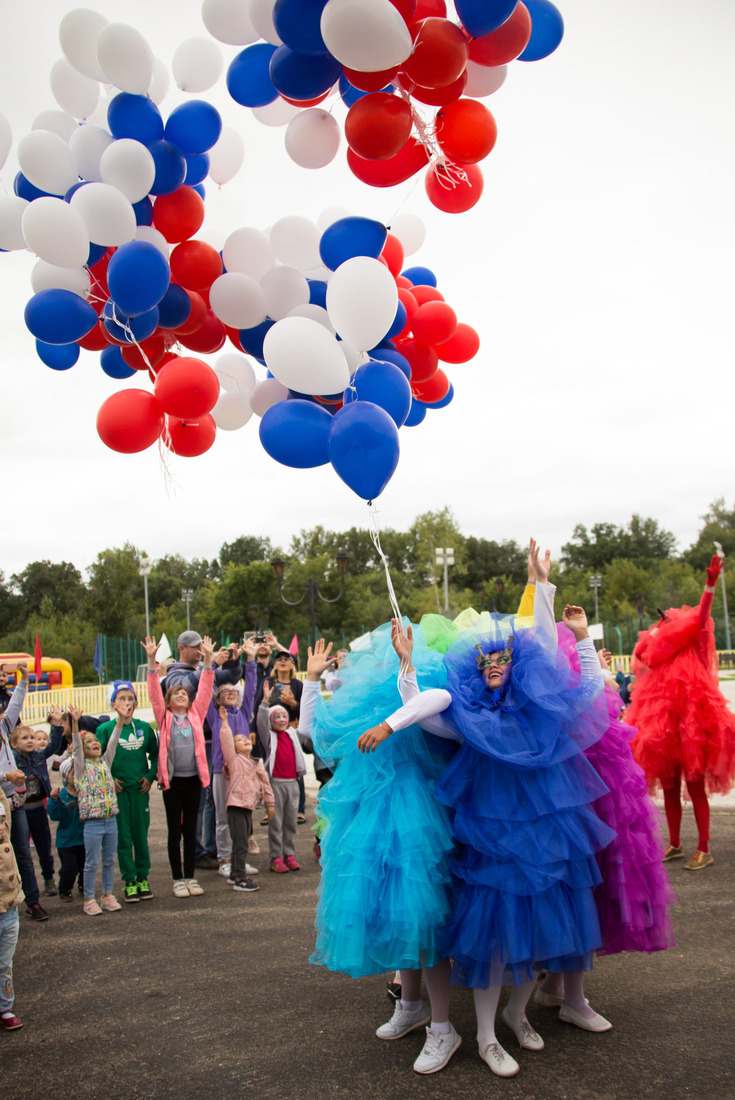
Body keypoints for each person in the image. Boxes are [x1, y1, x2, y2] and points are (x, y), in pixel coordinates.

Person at [358, 548, 613, 1078]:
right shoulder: (468, 716)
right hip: (489, 849)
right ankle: (486, 1038)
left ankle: (518, 1017)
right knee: (494, 939)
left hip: (540, 845)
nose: (494, 665)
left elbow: (581, 682)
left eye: (503, 659)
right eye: (485, 661)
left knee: (537, 937)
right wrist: (395, 707)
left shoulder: (540, 714)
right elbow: (428, 703)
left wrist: (548, 597)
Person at [301, 636, 456, 1075]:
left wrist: (406, 666)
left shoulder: (419, 693)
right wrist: (311, 679)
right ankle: (411, 1006)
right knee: (396, 913)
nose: (363, 664)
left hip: (413, 816)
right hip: (369, 812)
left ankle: (443, 1027)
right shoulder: (357, 701)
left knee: (423, 916)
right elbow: (314, 733)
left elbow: (424, 703)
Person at [624, 553, 735, 870]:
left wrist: (710, 585)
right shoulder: (658, 652)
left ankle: (704, 848)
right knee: (670, 786)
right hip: (664, 731)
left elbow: (702, 617)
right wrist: (657, 632)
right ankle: (674, 843)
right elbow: (641, 654)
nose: (666, 623)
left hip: (693, 728)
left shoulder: (695, 643)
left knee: (695, 785)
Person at [145, 634, 214, 898]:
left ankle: (190, 877)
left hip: (194, 780)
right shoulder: (164, 718)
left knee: (190, 829)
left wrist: (208, 659)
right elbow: (153, 693)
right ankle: (177, 878)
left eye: (185, 694)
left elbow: (206, 689)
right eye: (177, 694)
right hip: (172, 781)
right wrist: (152, 660)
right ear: (170, 700)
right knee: (175, 830)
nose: (182, 696)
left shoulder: (197, 714)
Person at [95, 681, 159, 904]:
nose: (126, 703)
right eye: (121, 699)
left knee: (140, 836)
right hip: (118, 793)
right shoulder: (104, 730)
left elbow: (157, 755)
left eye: (129, 698)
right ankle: (129, 880)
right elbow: (97, 759)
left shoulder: (144, 728)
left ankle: (143, 877)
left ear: (136, 702)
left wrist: (150, 777)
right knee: (123, 838)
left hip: (140, 791)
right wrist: (109, 780)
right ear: (113, 704)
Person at [205, 639, 258, 875]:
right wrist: (210, 663)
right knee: (222, 817)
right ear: (217, 699)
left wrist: (251, 660)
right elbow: (205, 691)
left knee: (243, 817)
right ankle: (224, 859)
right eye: (224, 691)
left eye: (233, 691)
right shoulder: (215, 717)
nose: (230, 693)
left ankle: (239, 857)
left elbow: (252, 689)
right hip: (221, 770)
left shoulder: (245, 712)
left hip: (243, 771)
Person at [0, 662, 47, 921]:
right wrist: (4, 775)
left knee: (22, 854)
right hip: (1, 798)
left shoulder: (5, 729)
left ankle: (32, 901)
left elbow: (16, 702)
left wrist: (25, 678)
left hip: (13, 800)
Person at [70, 705, 122, 916]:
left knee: (109, 860)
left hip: (111, 820)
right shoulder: (81, 768)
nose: (95, 743)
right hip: (92, 822)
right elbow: (75, 747)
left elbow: (113, 742)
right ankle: (89, 898)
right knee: (91, 862)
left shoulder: (105, 763)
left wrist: (121, 718)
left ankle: (107, 895)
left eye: (95, 740)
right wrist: (74, 723)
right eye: (88, 742)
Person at [218, 705, 274, 892]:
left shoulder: (256, 763)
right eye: (239, 740)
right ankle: (240, 880)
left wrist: (270, 803)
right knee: (241, 843)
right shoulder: (234, 761)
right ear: (235, 749)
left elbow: (265, 783)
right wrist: (225, 723)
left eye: (245, 738)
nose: (244, 740)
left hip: (248, 807)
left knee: (241, 841)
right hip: (235, 805)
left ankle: (235, 872)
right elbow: (226, 741)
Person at [10, 721, 65, 897]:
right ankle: (25, 883)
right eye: (24, 738)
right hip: (20, 811)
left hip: (38, 810)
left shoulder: (39, 757)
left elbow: (54, 745)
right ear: (14, 744)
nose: (29, 741)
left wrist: (56, 726)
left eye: (31, 737)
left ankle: (49, 878)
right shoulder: (12, 760)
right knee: (23, 850)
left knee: (44, 846)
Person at [256, 689, 306, 873]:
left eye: (284, 716)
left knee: (291, 822)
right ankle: (276, 857)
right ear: (270, 721)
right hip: (275, 784)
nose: (281, 720)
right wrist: (264, 703)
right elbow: (261, 724)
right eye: (276, 717)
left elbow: (306, 724)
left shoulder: (293, 734)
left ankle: (289, 854)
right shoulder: (270, 737)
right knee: (275, 822)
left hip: (293, 784)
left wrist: (298, 705)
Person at [0, 787, 23, 1031]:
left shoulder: (4, 837)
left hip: (9, 906)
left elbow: (5, 807)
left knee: (5, 963)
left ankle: (5, 1006)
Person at [160, 630, 243, 699]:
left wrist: (234, 662)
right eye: (195, 646)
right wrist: (211, 665)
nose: (200, 649)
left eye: (201, 645)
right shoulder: (174, 672)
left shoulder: (204, 667)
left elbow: (232, 678)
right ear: (182, 649)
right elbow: (183, 688)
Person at [47, 758, 85, 900]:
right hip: (66, 842)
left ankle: (83, 885)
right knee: (69, 868)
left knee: (85, 867)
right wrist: (54, 800)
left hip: (84, 838)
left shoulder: (85, 793)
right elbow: (54, 815)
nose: (78, 777)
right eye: (73, 774)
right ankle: (65, 888)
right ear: (65, 777)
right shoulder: (62, 795)